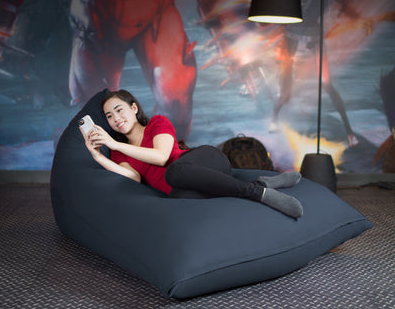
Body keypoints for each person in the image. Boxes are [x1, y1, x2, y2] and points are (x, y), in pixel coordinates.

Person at [80, 90, 303, 218]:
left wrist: (115, 144)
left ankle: (256, 193)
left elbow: (161, 156)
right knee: (179, 198)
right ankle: (261, 184)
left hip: (207, 162)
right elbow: (134, 178)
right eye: (109, 116)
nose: (116, 118)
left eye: (119, 110)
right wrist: (98, 156)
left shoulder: (157, 123)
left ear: (134, 108)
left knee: (173, 172)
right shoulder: (119, 154)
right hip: (189, 187)